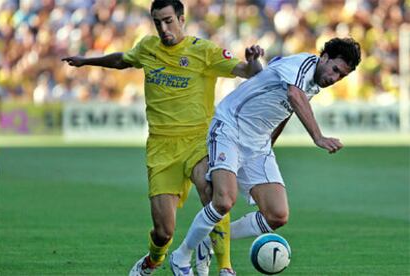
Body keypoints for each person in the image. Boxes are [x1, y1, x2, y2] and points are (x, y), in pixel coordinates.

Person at [61, 1, 263, 275]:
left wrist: (254, 61)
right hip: (161, 147)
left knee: (215, 195)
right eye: (158, 22)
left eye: (168, 20)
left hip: (198, 141)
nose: (163, 28)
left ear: (181, 19)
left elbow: (248, 72)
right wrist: (87, 61)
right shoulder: (147, 48)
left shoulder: (203, 51)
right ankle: (153, 260)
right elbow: (122, 60)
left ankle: (225, 267)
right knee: (163, 231)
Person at [170, 37, 361, 275]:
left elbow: (285, 112)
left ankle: (207, 243)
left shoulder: (312, 84)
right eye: (334, 69)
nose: (334, 78)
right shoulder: (303, 65)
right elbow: (294, 96)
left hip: (258, 144)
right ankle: (181, 257)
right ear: (323, 57)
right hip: (230, 126)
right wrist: (318, 137)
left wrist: (269, 145)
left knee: (277, 215)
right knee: (223, 201)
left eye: (341, 76)